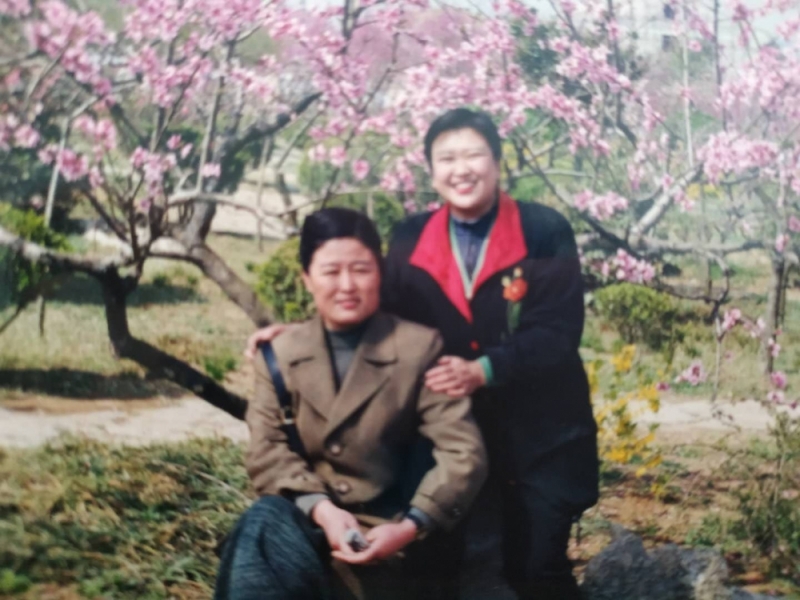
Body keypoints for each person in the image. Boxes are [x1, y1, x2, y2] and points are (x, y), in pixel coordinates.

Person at [246, 107, 599, 599]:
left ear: (498, 163)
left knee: (536, 568)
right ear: (431, 172)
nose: (462, 170)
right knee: (439, 568)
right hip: (450, 428)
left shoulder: (542, 229)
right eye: (447, 159)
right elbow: (379, 306)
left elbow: (558, 331)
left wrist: (484, 369)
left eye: (474, 155)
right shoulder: (412, 235)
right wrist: (307, 333)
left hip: (540, 434)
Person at [218, 207, 487, 600]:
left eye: (361, 270)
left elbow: (463, 452)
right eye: (330, 272)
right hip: (306, 525)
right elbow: (267, 450)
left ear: (380, 273)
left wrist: (411, 525)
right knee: (262, 524)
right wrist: (323, 511)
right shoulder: (279, 355)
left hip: (388, 537)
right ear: (307, 279)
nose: (347, 285)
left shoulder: (418, 348)